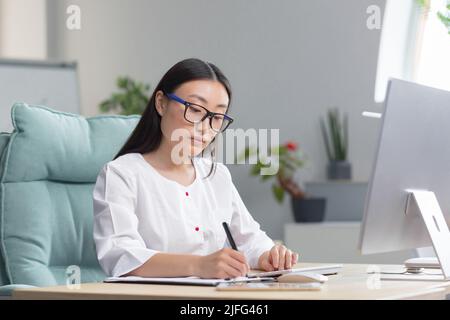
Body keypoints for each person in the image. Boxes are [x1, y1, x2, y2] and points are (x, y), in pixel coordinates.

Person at [93, 58, 299, 279]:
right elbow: (120, 255)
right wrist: (198, 266)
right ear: (161, 103)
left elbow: (249, 239)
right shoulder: (122, 174)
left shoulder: (216, 175)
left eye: (217, 117)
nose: (204, 127)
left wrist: (267, 255)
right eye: (194, 109)